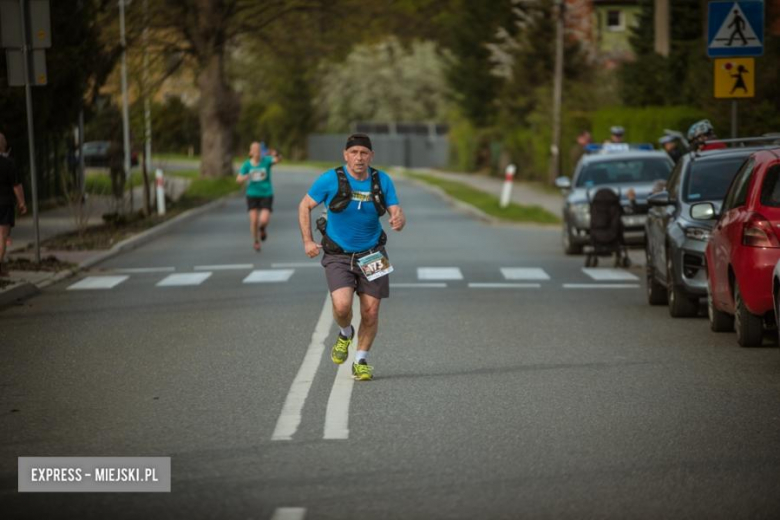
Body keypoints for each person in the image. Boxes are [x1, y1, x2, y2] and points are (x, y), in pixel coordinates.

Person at [298, 133, 406, 381]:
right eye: (354, 152)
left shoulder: (382, 180)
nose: (359, 157)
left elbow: (396, 211)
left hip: (373, 253)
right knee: (342, 306)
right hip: (338, 254)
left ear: (371, 156)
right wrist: (307, 240)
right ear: (346, 155)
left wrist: (399, 219)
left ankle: (361, 360)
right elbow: (304, 205)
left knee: (371, 311)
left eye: (364, 153)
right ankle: (345, 333)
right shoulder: (330, 179)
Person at [237, 141, 280, 251]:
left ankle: (263, 228)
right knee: (254, 220)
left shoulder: (266, 161)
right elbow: (238, 179)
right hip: (252, 195)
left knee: (263, 220)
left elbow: (277, 160)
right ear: (250, 152)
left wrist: (276, 154)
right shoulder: (247, 164)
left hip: (266, 193)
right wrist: (245, 177)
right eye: (255, 150)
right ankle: (256, 241)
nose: (257, 152)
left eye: (259, 150)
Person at [0, 133, 27, 277]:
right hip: (4, 204)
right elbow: (16, 185)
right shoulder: (9, 163)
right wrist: (22, 202)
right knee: (3, 237)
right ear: (4, 145)